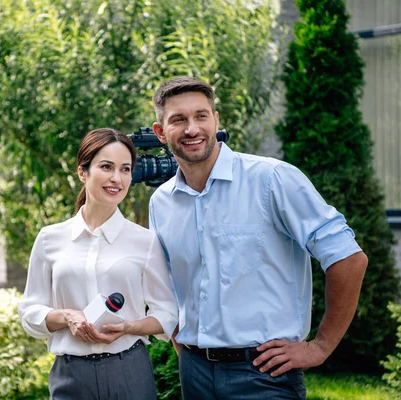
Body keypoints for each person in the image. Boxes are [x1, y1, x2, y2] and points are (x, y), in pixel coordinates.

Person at [148, 76, 368, 399]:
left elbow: (348, 258)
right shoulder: (162, 202)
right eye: (178, 120)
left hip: (264, 376)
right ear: (160, 132)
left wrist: (319, 347)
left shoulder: (272, 180)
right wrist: (183, 342)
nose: (192, 129)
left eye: (201, 116)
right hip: (194, 374)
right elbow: (165, 285)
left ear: (216, 120)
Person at [19, 128, 178, 400]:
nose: (116, 178)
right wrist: (67, 316)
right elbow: (30, 311)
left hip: (129, 371)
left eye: (125, 169)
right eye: (106, 167)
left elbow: (167, 312)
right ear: (83, 172)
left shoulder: (145, 241)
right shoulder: (50, 239)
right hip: (71, 376)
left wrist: (129, 327)